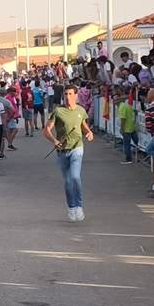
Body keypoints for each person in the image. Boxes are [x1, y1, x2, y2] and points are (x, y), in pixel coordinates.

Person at [44, 85, 95, 222]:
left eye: (70, 94)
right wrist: (54, 141)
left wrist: (89, 133)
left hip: (77, 148)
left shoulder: (81, 110)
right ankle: (71, 207)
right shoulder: (58, 111)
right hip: (62, 151)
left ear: (76, 95)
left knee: (75, 177)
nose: (67, 96)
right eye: (65, 94)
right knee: (68, 181)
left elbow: (84, 127)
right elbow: (46, 131)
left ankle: (79, 206)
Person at [118, 95, 138, 164]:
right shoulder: (127, 105)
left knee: (127, 144)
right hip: (132, 127)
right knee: (136, 142)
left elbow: (123, 119)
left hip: (126, 129)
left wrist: (122, 128)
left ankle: (128, 159)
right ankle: (136, 156)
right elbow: (134, 112)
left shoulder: (122, 107)